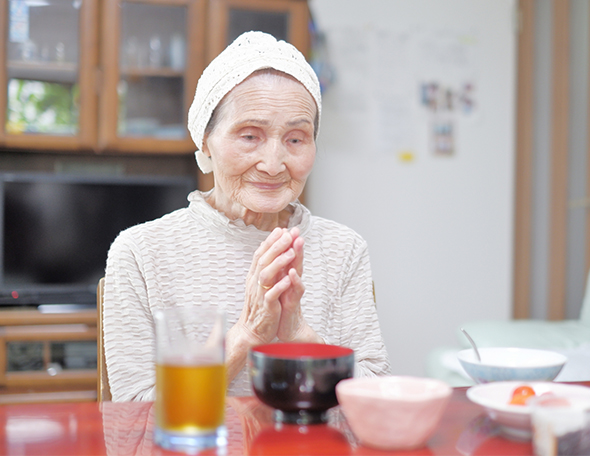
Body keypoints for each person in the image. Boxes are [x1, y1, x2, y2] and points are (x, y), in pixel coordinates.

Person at [103, 31, 391, 401]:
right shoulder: (142, 252)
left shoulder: (343, 249)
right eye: (250, 136)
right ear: (205, 140)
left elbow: (375, 391)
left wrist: (301, 337)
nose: (273, 165)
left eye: (296, 139)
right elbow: (136, 413)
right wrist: (247, 334)